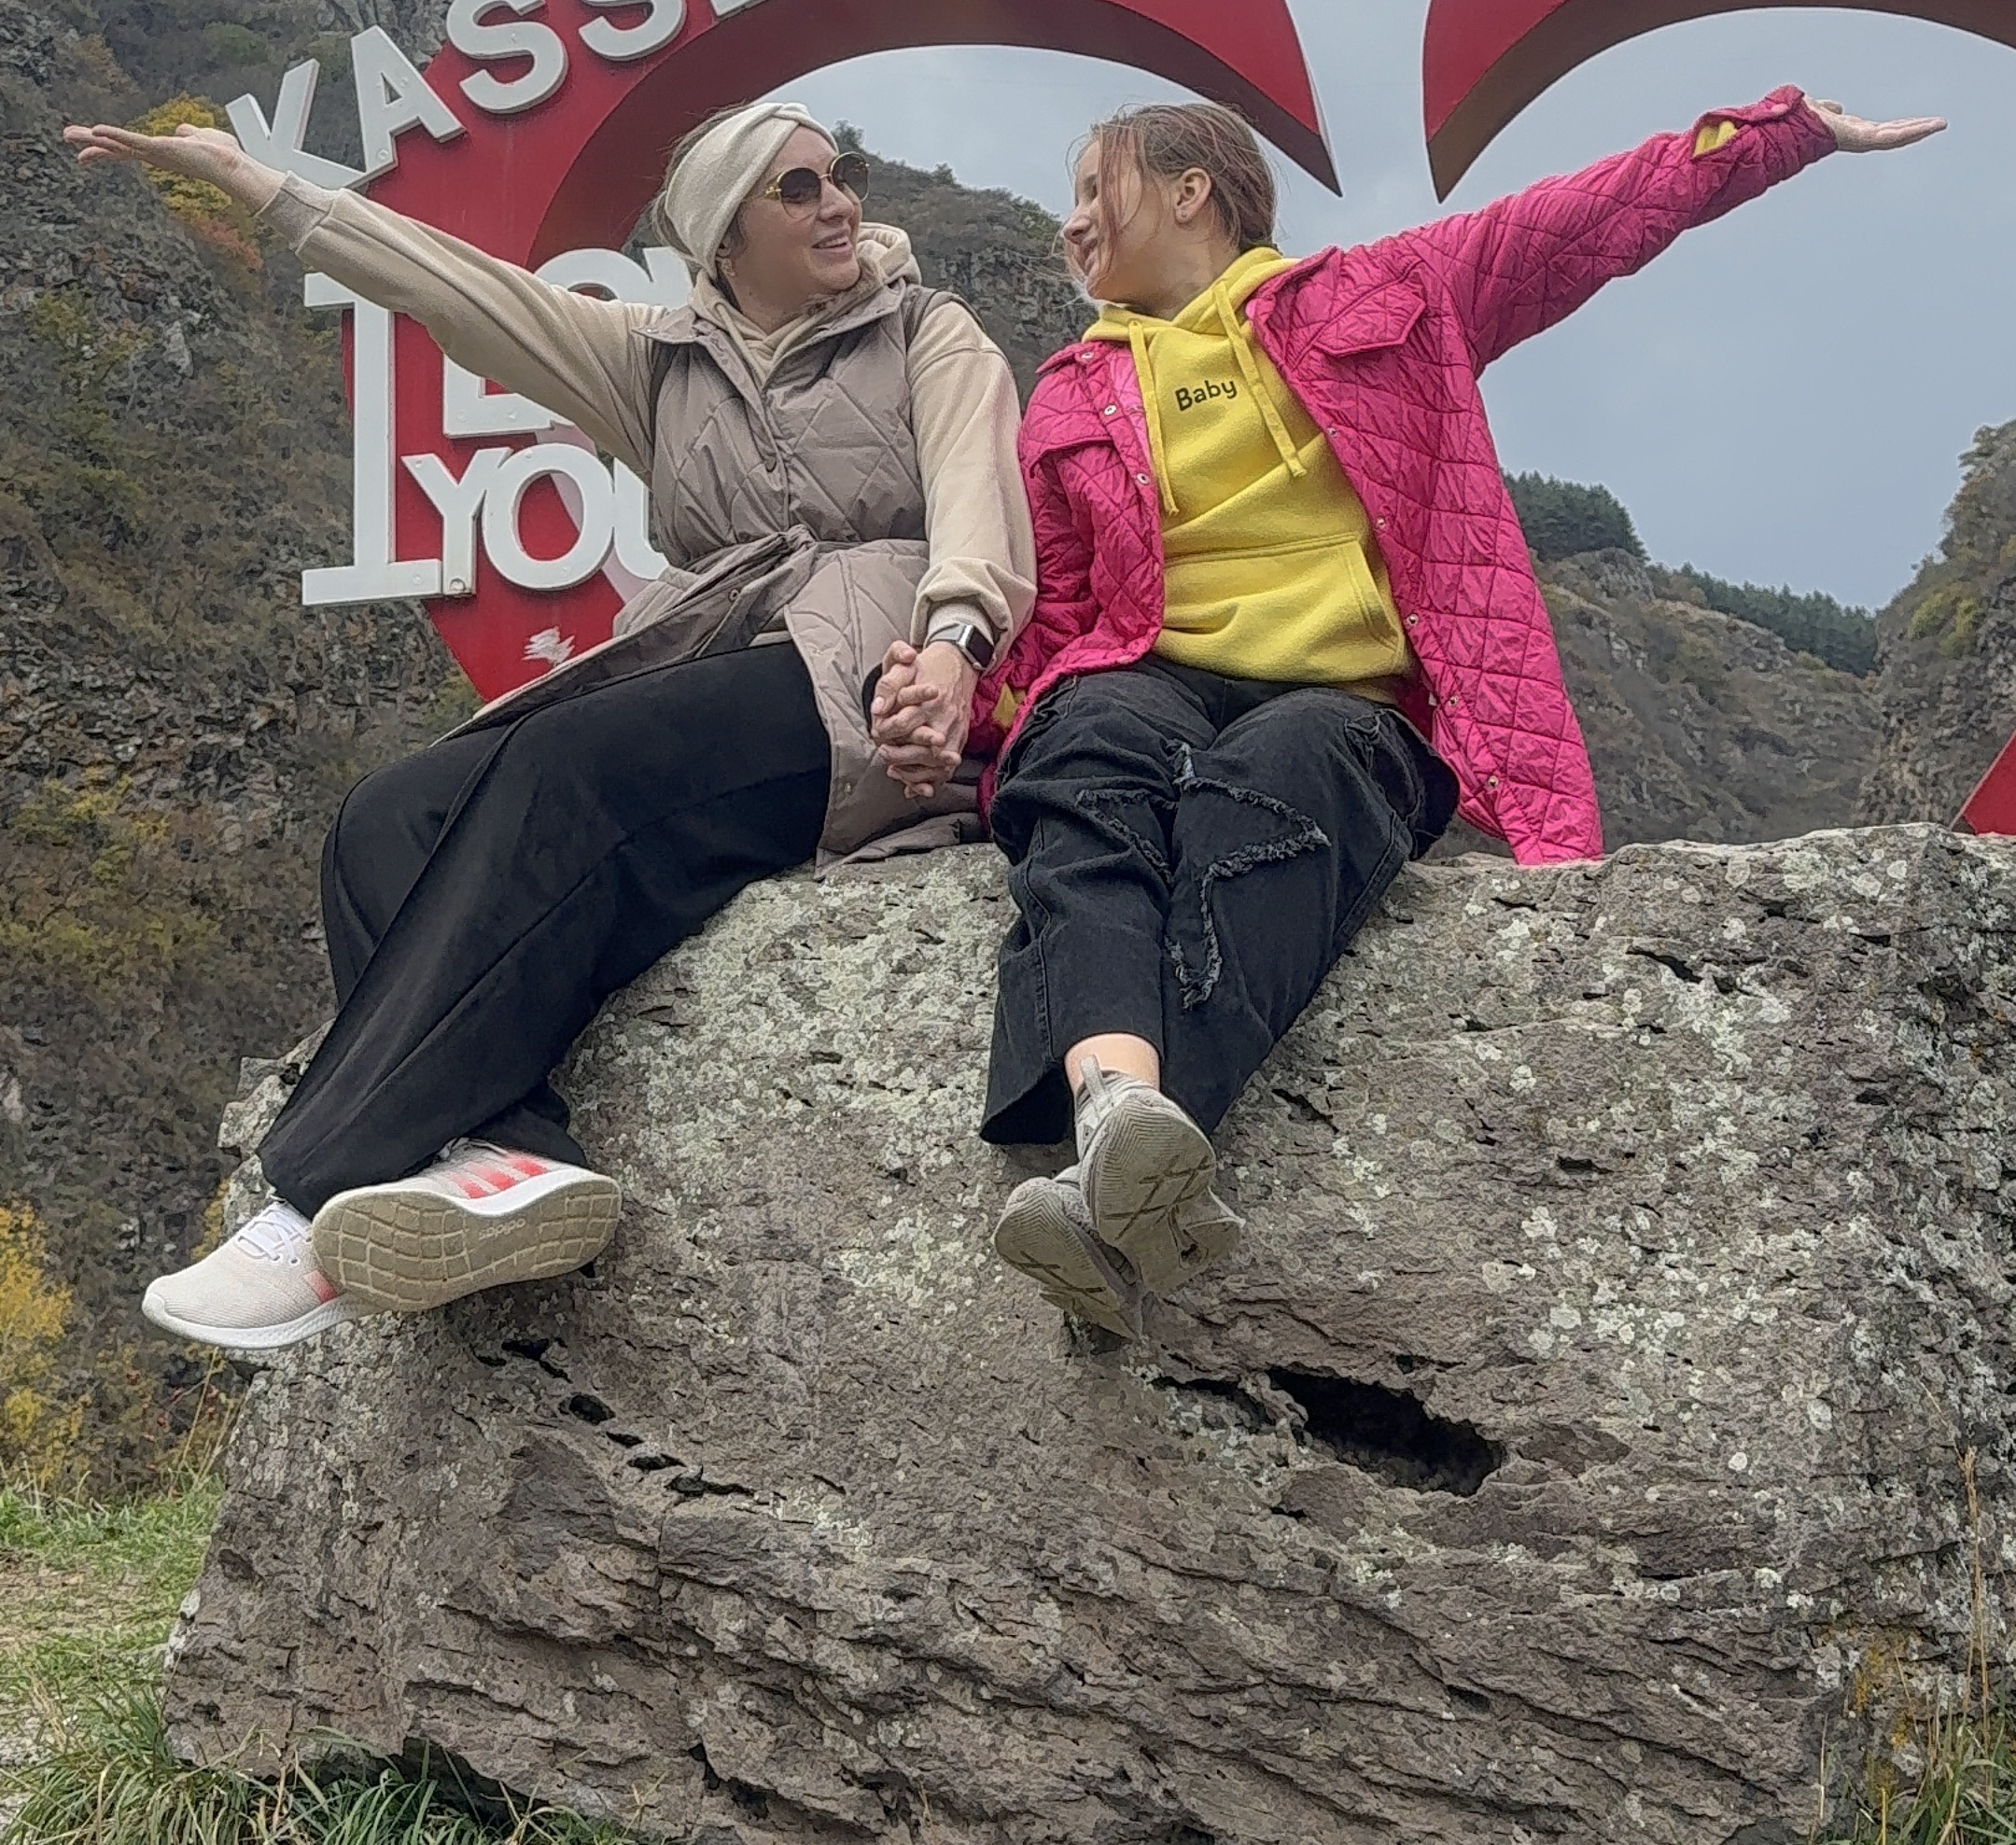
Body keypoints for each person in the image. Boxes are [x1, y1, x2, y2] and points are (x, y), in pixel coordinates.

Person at [882, 83, 1941, 1339]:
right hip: (1146, 673)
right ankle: (1117, 1108)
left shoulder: (1377, 294)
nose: (1069, 224)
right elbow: (1060, 611)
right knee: (1084, 756)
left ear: (1190, 191)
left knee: (1269, 792)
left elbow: (1575, 224)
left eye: (1091, 190)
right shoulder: (1069, 390)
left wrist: (1778, 134)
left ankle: (1109, 1183)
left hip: (1341, 692)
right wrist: (964, 708)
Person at [64, 100, 1033, 1354]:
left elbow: (977, 507)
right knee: (388, 818)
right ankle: (510, 1152)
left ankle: (310, 1200)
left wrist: (953, 649)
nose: (839, 202)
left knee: (565, 766)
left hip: (876, 676)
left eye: (837, 175)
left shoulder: (926, 331)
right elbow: (458, 290)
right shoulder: (658, 362)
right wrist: (259, 186)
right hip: (713, 659)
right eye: (797, 188)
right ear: (724, 236)